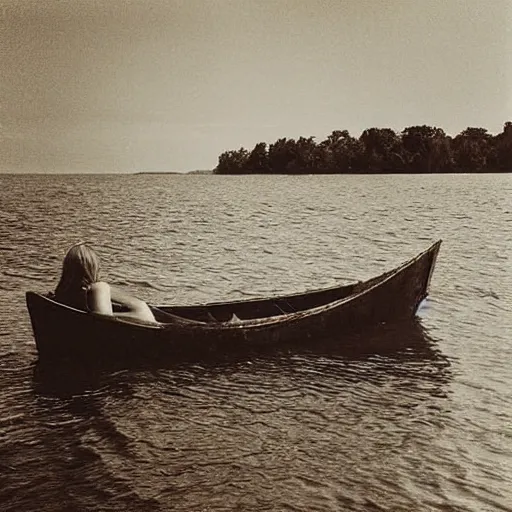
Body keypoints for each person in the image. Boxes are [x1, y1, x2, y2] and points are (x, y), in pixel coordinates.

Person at [54, 242, 157, 323]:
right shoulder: (98, 287)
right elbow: (105, 322)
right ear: (94, 268)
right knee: (142, 308)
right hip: (146, 323)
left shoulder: (62, 296)